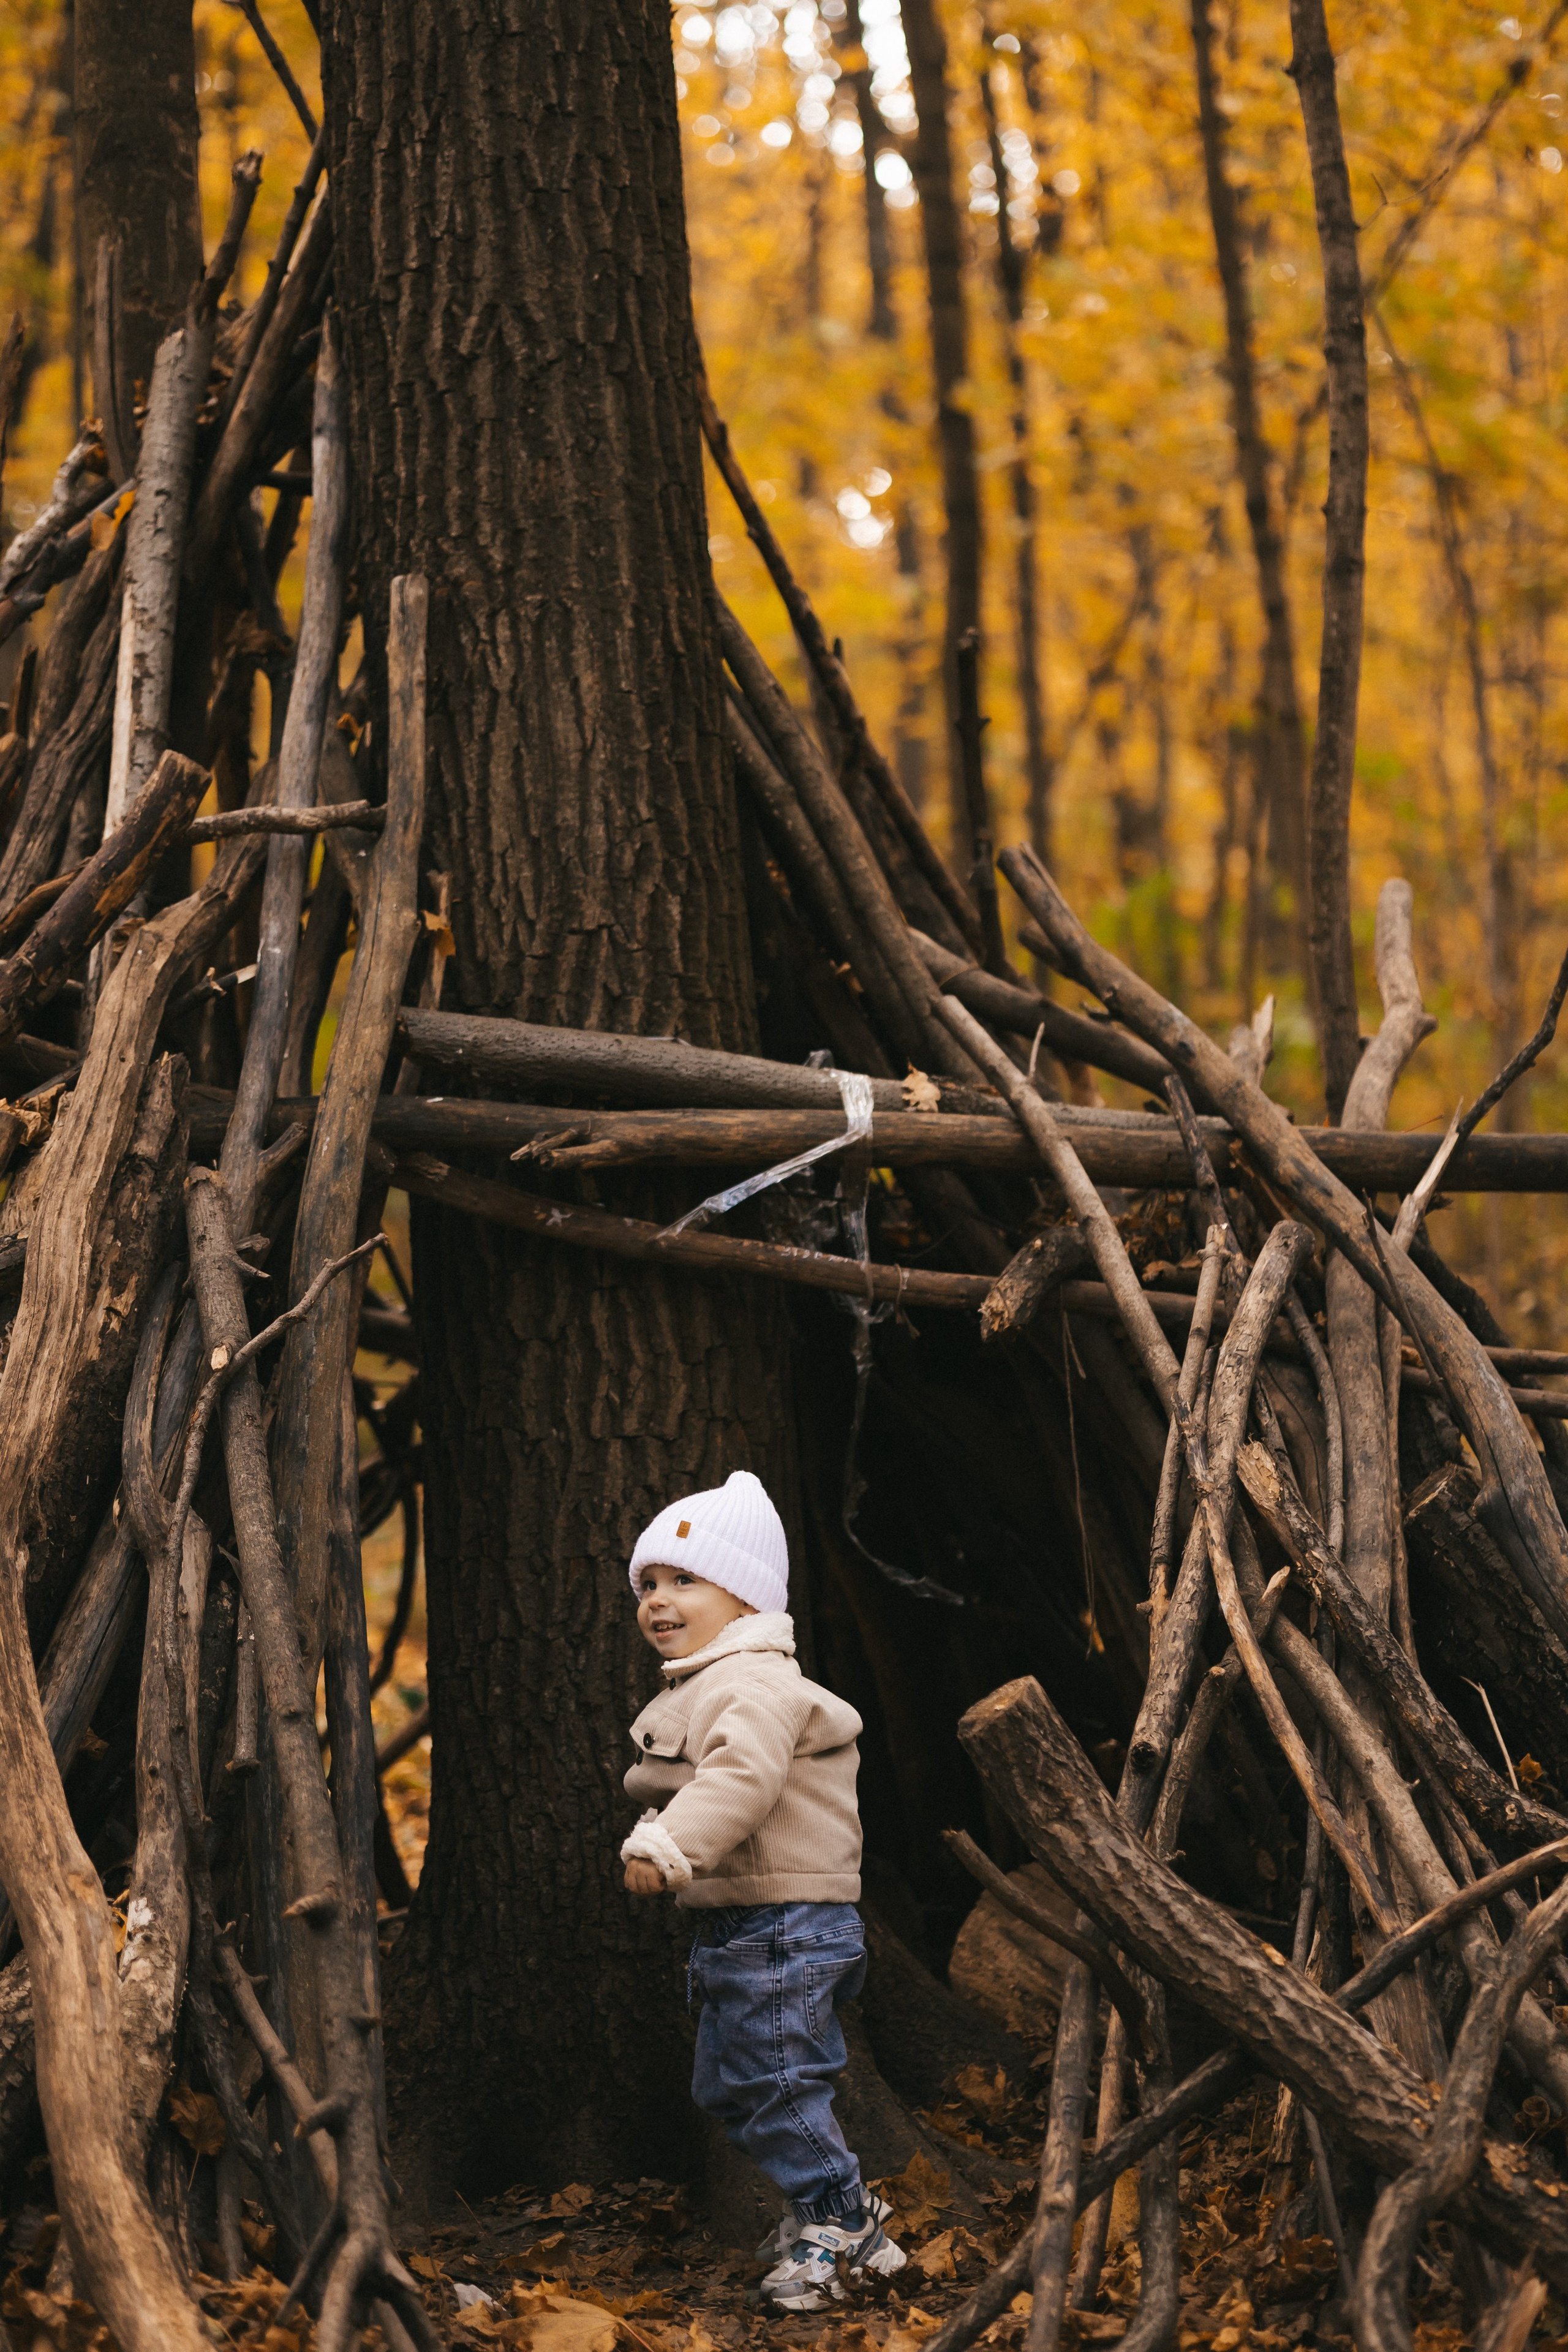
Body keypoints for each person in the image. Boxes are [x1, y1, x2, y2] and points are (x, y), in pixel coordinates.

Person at [619, 1469, 907, 2313]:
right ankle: (850, 2226)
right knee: (731, 2085)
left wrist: (669, 1845)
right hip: (746, 1925)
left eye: (684, 1582)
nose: (658, 1601)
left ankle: (841, 2224)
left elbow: (740, 1779)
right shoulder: (710, 1681)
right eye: (649, 1585)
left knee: (776, 2081)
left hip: (786, 1924)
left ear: (745, 1600)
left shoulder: (752, 1686)